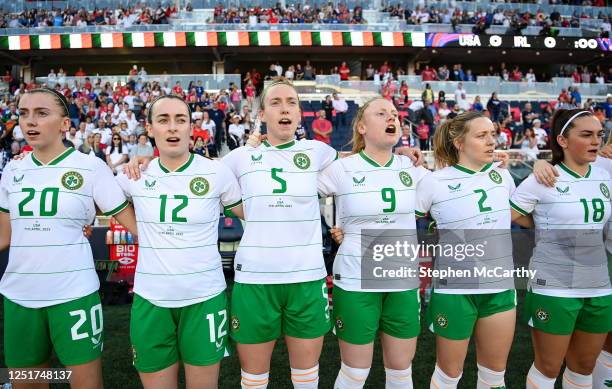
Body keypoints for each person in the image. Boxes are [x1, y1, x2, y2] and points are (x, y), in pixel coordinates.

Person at [0, 88, 136, 389]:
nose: (29, 121)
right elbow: (3, 235)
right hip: (19, 295)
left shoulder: (90, 168)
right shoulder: (13, 170)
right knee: (28, 382)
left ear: (65, 124)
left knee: (84, 383)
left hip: (73, 294)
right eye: (23, 113)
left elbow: (133, 223)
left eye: (41, 113)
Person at [117, 95, 243, 389]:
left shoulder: (216, 172)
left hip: (204, 297)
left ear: (191, 127)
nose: (172, 128)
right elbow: (95, 203)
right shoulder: (133, 174)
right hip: (151, 299)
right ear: (149, 129)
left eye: (180, 120)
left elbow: (249, 212)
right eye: (163, 120)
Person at [318, 97, 429, 389]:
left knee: (401, 373)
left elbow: (451, 188)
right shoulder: (342, 168)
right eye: (381, 113)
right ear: (362, 126)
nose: (392, 118)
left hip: (402, 281)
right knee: (355, 374)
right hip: (356, 280)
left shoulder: (412, 167)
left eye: (394, 114)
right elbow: (296, 192)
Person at [511, 109, 611, 389]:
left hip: (598, 284)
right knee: (549, 367)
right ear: (563, 140)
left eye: (599, 135)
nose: (596, 141)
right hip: (553, 284)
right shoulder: (543, 178)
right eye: (586, 134)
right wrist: (541, 224)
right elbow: (509, 213)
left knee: (584, 367)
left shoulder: (605, 176)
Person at [417, 112, 517, 389]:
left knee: (495, 376)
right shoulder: (433, 182)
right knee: (449, 375)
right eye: (481, 135)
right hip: (454, 290)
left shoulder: (503, 177)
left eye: (493, 134)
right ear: (459, 143)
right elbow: (401, 220)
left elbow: (528, 215)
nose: (491, 141)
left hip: (499, 288)